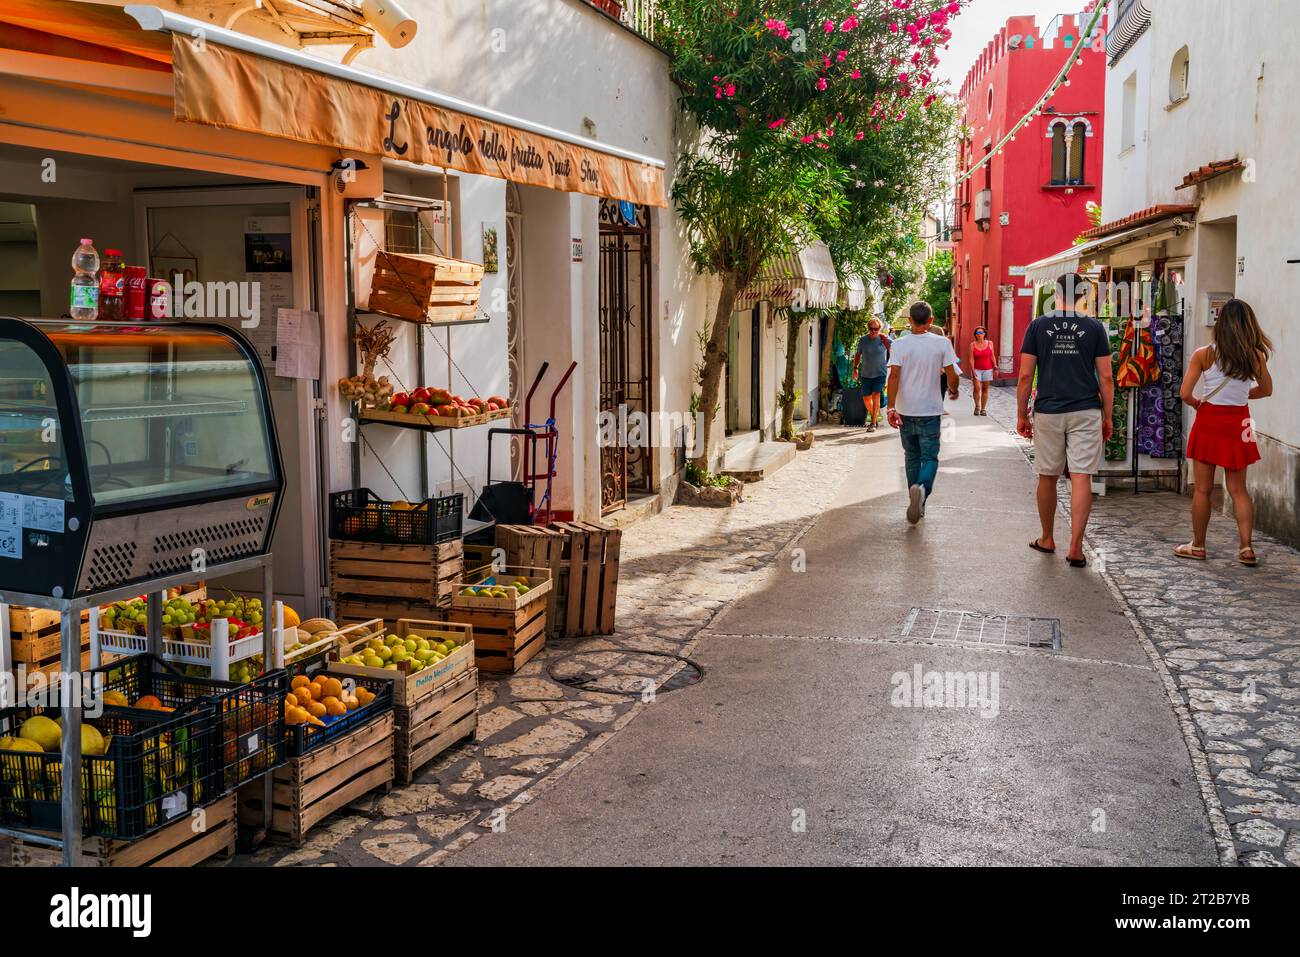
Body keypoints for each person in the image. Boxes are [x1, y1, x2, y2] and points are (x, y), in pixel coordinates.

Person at [1017, 272, 1113, 568]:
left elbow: (1024, 376)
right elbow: (1106, 377)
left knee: (1048, 475)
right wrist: (1107, 416)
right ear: (1084, 295)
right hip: (1085, 410)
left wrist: (1022, 413)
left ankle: (1047, 538)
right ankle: (1076, 547)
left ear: (1055, 293)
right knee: (1082, 475)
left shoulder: (1038, 326)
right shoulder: (1095, 327)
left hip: (1049, 410)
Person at [1175, 298, 1273, 566]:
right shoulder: (1255, 356)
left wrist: (1198, 403)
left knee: (1203, 490)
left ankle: (1198, 545)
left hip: (1209, 421)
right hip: (1239, 422)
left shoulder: (1204, 354)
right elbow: (1266, 390)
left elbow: (1185, 393)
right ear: (1248, 325)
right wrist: (1241, 395)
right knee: (1239, 490)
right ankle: (1246, 547)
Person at [886, 301, 960, 524]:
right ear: (931, 321)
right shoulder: (942, 343)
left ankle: (913, 495)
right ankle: (922, 489)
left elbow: (894, 377)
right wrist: (953, 389)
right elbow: (952, 374)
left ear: (909, 321)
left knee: (911, 456)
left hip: (906, 410)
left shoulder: (899, 344)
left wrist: (891, 407)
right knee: (929, 457)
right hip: (930, 410)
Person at [852, 320, 891, 432]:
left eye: (876, 329)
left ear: (880, 328)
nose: (874, 331)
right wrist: (855, 369)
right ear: (868, 328)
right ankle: (874, 415)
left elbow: (897, 347)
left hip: (880, 373)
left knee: (876, 396)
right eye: (871, 329)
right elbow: (858, 354)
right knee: (866, 399)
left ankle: (873, 423)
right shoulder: (863, 340)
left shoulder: (884, 339)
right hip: (866, 374)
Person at [968, 327, 997, 416]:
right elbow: (971, 359)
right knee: (977, 388)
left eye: (981, 332)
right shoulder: (972, 345)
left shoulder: (990, 343)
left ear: (984, 334)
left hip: (988, 369)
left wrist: (995, 366)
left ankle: (983, 409)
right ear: (975, 335)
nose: (979, 334)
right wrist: (973, 370)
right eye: (977, 333)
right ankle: (977, 406)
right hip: (976, 369)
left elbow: (992, 356)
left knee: (985, 389)